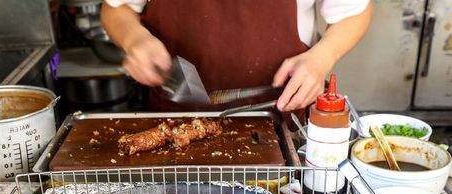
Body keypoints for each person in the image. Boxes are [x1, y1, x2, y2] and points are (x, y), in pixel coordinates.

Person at [101, 0, 373, 113]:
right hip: (174, 119)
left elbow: (354, 11)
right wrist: (134, 39)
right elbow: (117, 8)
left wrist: (322, 57)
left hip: (280, 120)